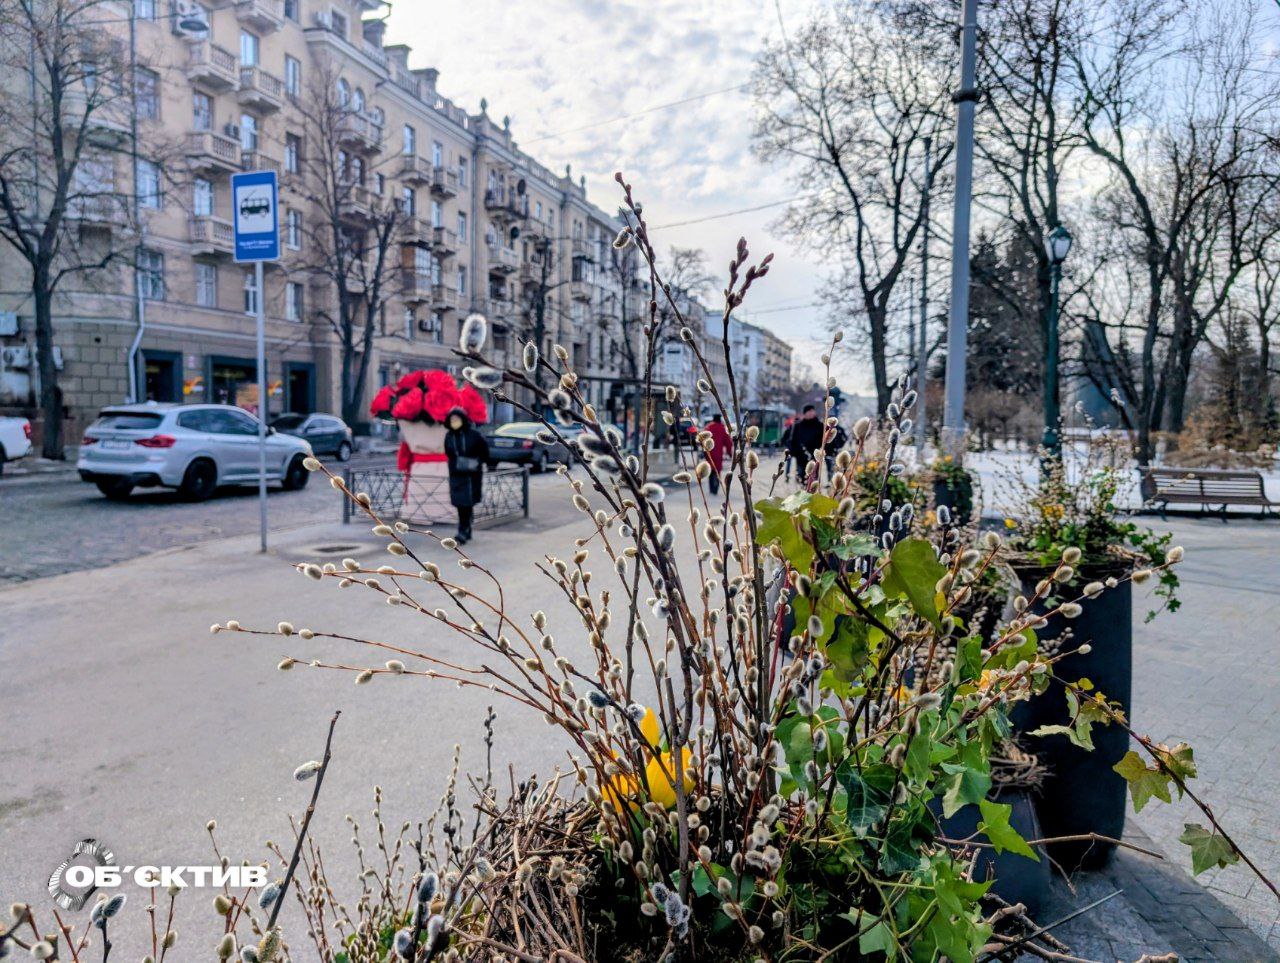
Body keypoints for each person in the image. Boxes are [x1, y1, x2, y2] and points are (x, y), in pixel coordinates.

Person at [444, 406, 490, 544]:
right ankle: (465, 529)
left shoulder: (474, 435)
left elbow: (485, 452)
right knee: (460, 504)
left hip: (471, 476)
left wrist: (476, 462)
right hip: (456, 474)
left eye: (457, 419)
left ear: (463, 419)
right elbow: (449, 453)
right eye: (452, 419)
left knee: (467, 503)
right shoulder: (449, 436)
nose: (454, 422)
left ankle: (463, 531)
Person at [787, 404, 824, 484]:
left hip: (815, 456)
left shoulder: (820, 426)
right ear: (804, 413)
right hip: (800, 456)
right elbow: (792, 440)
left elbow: (823, 440)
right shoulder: (798, 425)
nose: (811, 413)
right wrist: (794, 452)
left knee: (813, 479)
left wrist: (820, 451)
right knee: (801, 478)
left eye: (812, 411)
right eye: (808, 411)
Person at [704, 413, 733, 496]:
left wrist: (704, 452)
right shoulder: (722, 428)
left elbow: (702, 440)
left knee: (710, 471)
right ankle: (716, 488)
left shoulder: (708, 427)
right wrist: (730, 453)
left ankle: (711, 488)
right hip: (718, 454)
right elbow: (728, 442)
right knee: (717, 471)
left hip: (709, 453)